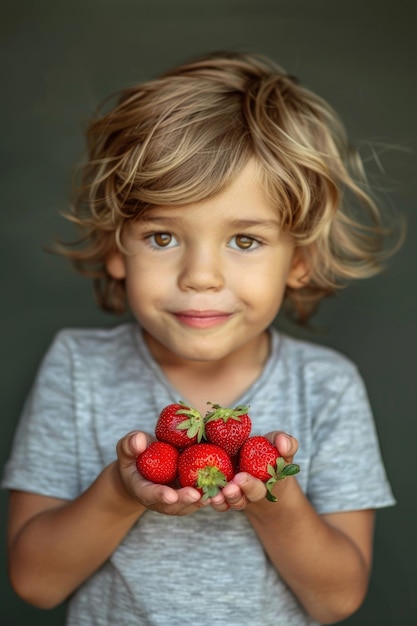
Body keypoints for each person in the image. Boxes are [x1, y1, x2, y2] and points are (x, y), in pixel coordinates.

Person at [2, 51, 401, 626]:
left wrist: (275, 501)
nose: (201, 275)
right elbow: (35, 583)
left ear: (300, 259)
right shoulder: (76, 367)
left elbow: (336, 600)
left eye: (244, 241)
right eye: (163, 237)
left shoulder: (326, 386)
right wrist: (120, 490)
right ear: (117, 249)